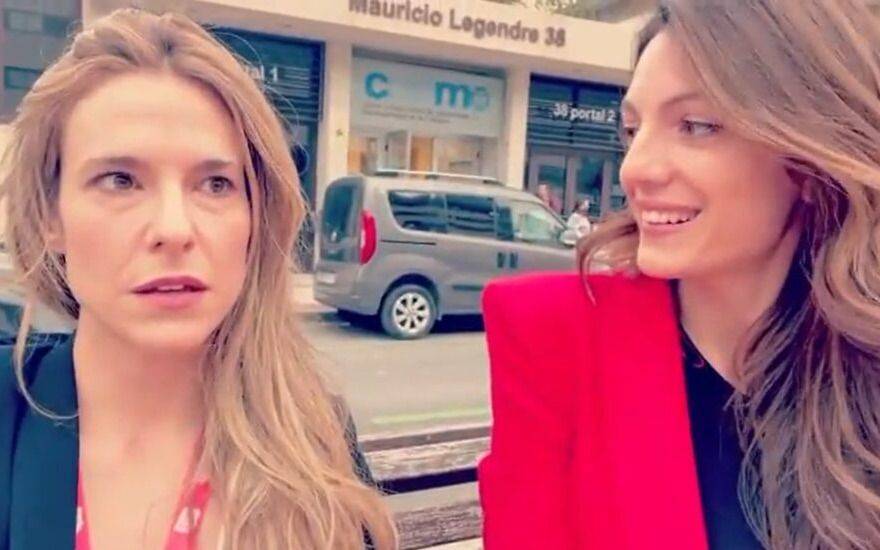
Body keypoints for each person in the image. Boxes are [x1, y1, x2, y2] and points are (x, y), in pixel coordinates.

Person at [479, 1, 880, 549]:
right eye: (632, 129)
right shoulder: (555, 337)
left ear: (812, 163)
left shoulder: (861, 346)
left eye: (696, 126)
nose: (635, 169)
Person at [0, 9, 396, 550]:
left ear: (255, 216)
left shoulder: (312, 436)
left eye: (215, 184)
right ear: (51, 215)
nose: (174, 229)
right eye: (120, 180)